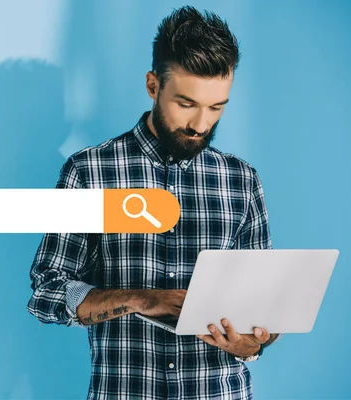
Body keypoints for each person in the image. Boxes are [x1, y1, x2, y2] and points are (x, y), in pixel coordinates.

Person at [27, 6, 280, 400]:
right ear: (152, 85)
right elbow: (47, 292)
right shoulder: (90, 172)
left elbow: (262, 304)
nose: (200, 124)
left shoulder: (242, 180)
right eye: (186, 103)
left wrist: (257, 343)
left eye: (216, 107)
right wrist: (142, 299)